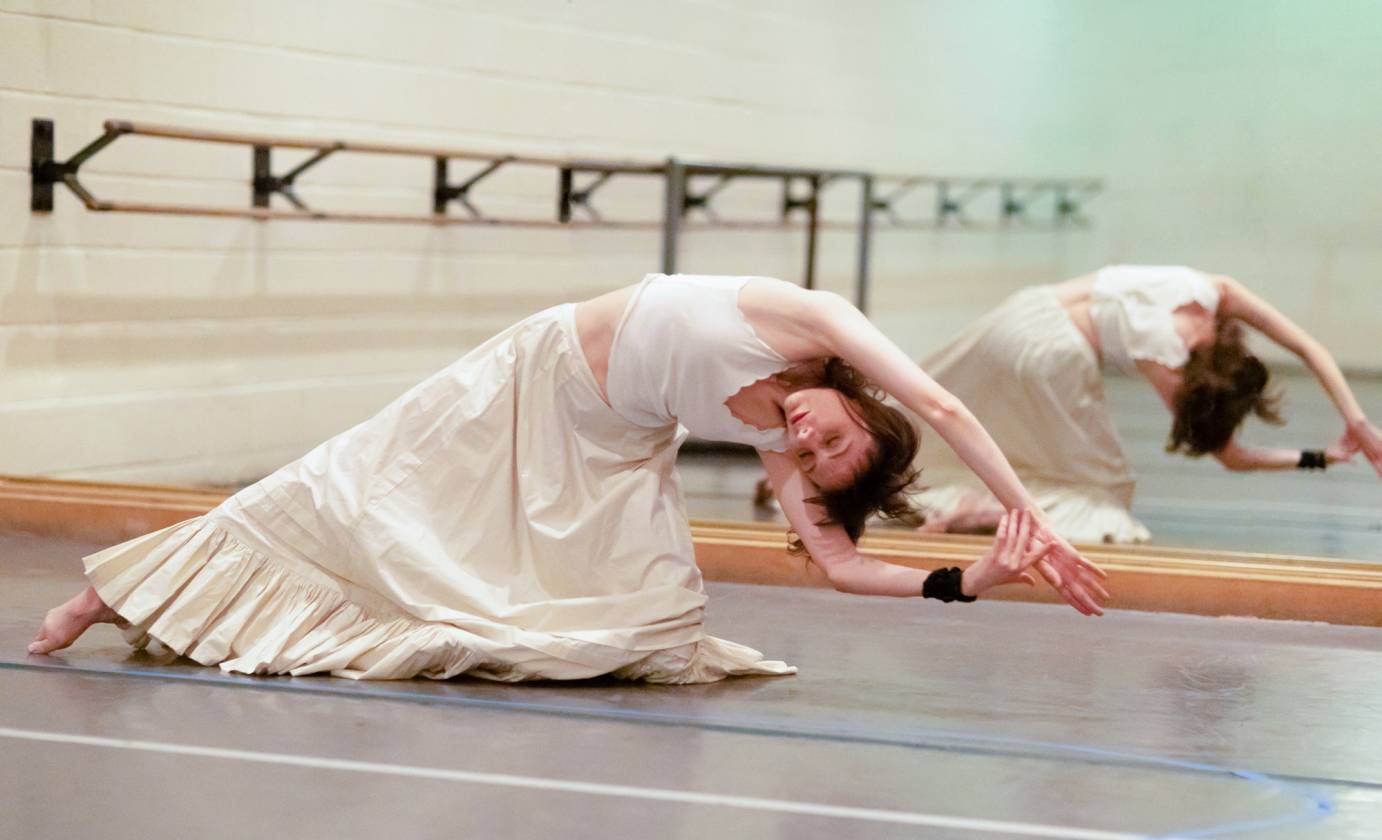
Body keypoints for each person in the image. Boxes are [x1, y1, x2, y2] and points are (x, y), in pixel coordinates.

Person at [29, 274, 1107, 684]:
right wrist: (1031, 519)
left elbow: (832, 562)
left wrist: (968, 581)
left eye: (820, 460)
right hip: (531, 375)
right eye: (831, 434)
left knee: (650, 621)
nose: (809, 442)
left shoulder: (784, 442)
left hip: (612, 445)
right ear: (858, 401)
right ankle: (109, 591)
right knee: (349, 479)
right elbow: (950, 408)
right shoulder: (814, 324)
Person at [907, 265, 1382, 543]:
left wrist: (1357, 419)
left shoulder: (1215, 289)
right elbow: (1232, 457)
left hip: (1022, 311)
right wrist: (1322, 458)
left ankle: (944, 490)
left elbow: (1307, 346)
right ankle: (991, 514)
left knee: (955, 420)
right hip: (1054, 352)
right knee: (1104, 494)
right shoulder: (1168, 357)